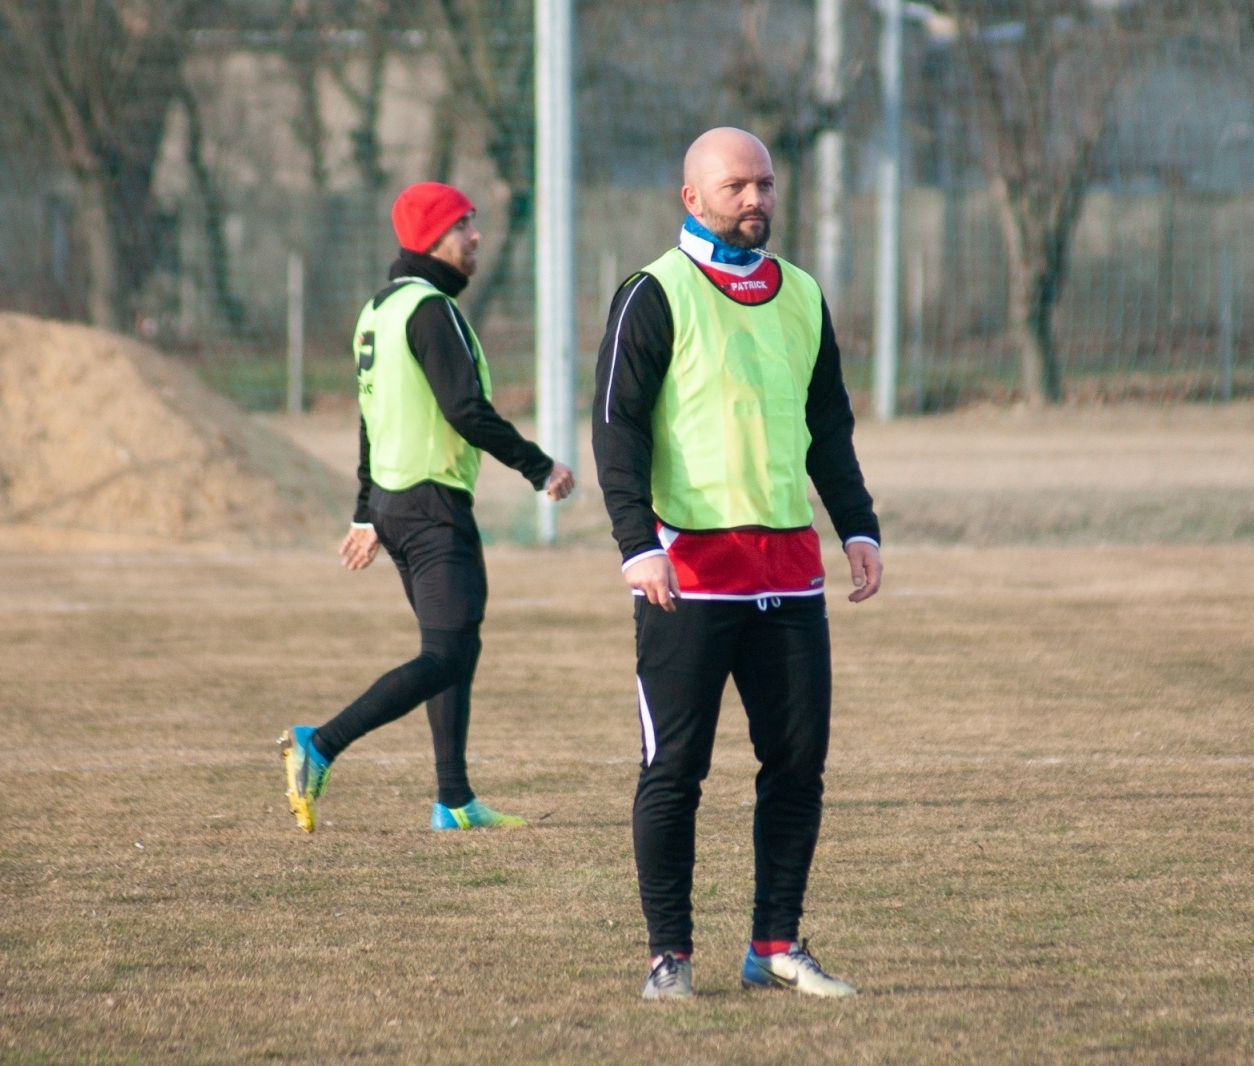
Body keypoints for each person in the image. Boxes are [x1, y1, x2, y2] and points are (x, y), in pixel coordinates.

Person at [592, 128, 882, 1000]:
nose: (753, 200)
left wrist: (857, 526)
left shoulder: (800, 293)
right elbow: (617, 427)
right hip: (689, 574)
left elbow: (828, 425)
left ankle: (775, 946)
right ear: (693, 199)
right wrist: (636, 543)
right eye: (734, 187)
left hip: (790, 571)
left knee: (796, 766)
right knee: (674, 769)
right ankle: (668, 957)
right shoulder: (654, 293)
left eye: (763, 184)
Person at [280, 181, 575, 834]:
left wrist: (366, 511)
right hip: (432, 506)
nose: (475, 237)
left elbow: (371, 419)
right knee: (446, 653)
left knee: (452, 647)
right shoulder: (430, 310)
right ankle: (320, 743)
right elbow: (465, 410)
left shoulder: (378, 310)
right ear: (433, 239)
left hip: (396, 504)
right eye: (464, 225)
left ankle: (455, 800)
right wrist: (539, 466)